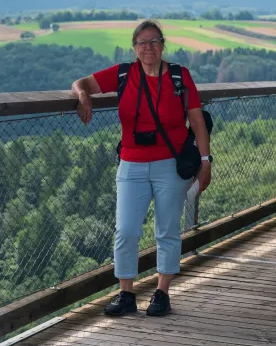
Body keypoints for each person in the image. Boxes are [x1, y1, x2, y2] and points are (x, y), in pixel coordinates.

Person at [71, 20, 212, 316]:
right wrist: (83, 96)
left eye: (154, 41)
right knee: (126, 230)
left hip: (169, 165)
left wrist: (205, 161)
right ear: (135, 48)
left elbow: (198, 122)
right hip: (131, 163)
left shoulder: (179, 76)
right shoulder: (124, 74)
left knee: (167, 230)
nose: (149, 48)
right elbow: (81, 83)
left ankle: (162, 292)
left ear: (163, 45)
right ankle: (126, 294)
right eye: (142, 43)